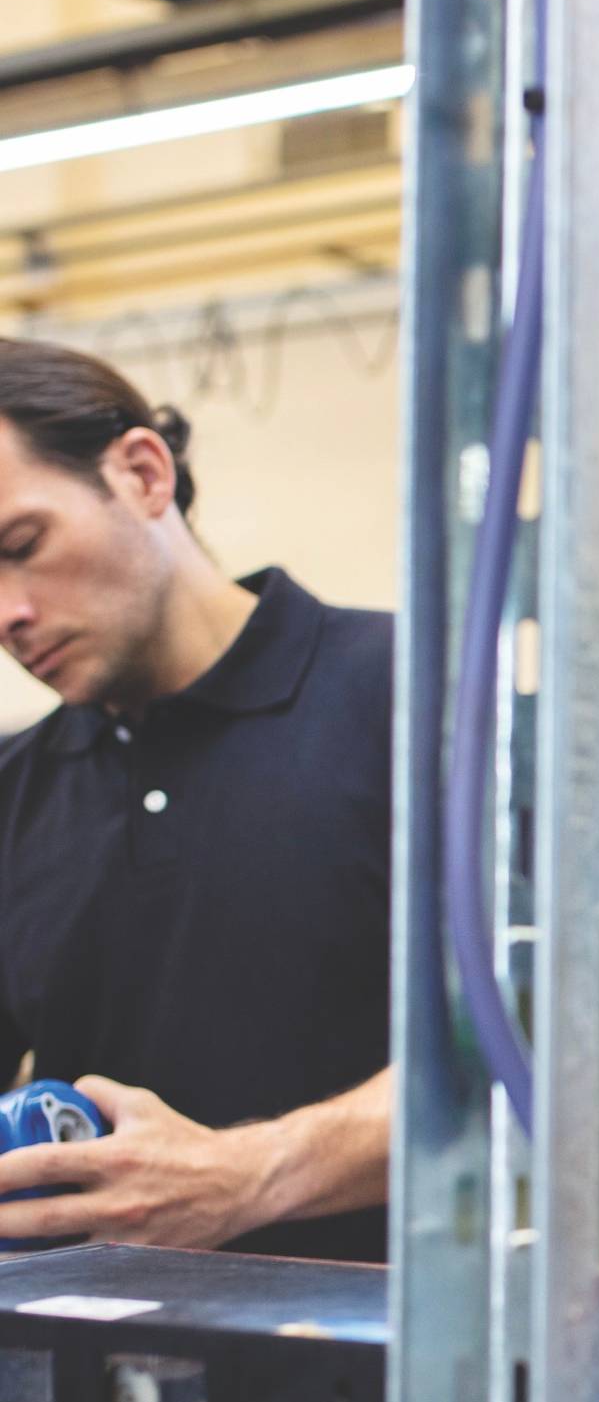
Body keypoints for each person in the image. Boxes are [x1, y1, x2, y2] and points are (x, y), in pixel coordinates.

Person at [0, 339, 391, 1261]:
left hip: (378, 1371)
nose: (7, 614)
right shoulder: (16, 790)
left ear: (141, 473)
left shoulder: (410, 698)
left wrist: (248, 1175)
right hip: (83, 1382)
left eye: (21, 546)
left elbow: (540, 1048)